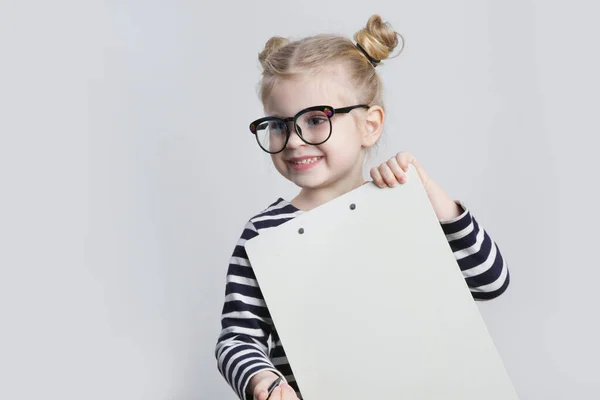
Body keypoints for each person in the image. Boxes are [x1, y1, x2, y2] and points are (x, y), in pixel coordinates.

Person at [215, 14, 510, 400]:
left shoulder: (402, 207)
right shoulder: (264, 233)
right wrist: (264, 382)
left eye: (316, 120)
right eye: (279, 125)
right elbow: (238, 337)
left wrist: (425, 190)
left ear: (370, 125)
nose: (294, 141)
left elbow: (489, 281)